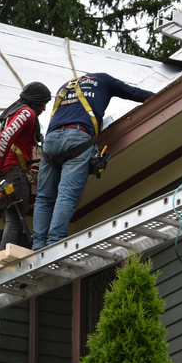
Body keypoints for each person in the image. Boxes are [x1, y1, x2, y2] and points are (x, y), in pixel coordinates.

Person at [31, 72, 154, 249]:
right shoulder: (103, 79)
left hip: (50, 140)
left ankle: (38, 244)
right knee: (67, 195)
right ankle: (54, 243)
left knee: (44, 196)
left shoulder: (64, 87)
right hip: (77, 137)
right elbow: (135, 93)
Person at [0, 81, 52, 251]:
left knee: (12, 220)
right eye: (43, 103)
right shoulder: (27, 112)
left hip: (7, 176)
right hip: (15, 175)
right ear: (36, 100)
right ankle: (4, 263)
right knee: (15, 222)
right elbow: (6, 138)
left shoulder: (14, 114)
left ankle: (2, 260)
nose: (44, 108)